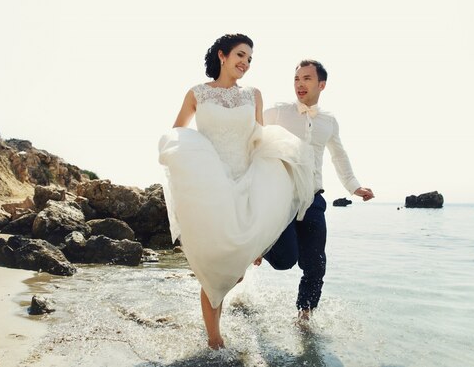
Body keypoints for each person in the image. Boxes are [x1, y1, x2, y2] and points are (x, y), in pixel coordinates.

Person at [158, 34, 314, 349]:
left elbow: (258, 136)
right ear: (222, 56)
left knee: (235, 272)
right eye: (240, 55)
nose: (245, 63)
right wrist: (187, 163)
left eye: (250, 59)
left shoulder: (253, 95)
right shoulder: (197, 93)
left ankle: (220, 317)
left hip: (246, 182)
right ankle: (215, 339)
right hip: (209, 185)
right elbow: (177, 131)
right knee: (213, 270)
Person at [262, 59, 374, 319]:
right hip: (281, 198)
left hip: (313, 199)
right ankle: (260, 246)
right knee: (285, 260)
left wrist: (354, 187)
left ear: (321, 84)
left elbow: (339, 155)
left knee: (316, 264)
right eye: (297, 79)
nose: (300, 84)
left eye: (307, 79)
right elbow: (250, 130)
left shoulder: (329, 121)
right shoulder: (278, 112)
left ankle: (305, 315)